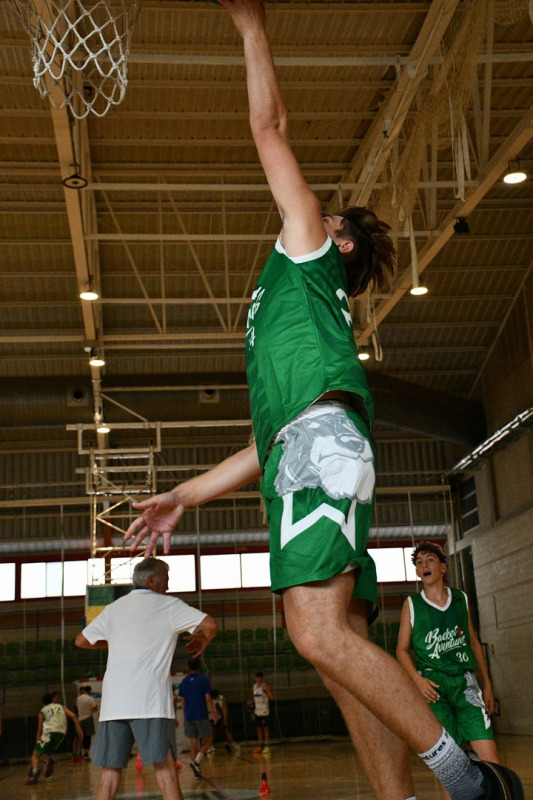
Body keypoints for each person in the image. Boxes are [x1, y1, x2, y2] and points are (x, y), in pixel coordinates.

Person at [123, 3, 524, 799]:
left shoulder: (305, 250)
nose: (306, 206)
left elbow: (268, 127)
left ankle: (472, 779)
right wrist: (186, 494)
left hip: (320, 447)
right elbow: (266, 439)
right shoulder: (295, 312)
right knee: (339, 653)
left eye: (323, 212)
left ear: (334, 241)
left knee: (313, 634)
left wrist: (250, 28)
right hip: (306, 448)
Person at [75, 558, 217, 800]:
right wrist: (204, 639)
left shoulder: (114, 608)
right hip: (150, 704)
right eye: (166, 580)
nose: (168, 586)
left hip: (113, 706)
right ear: (152, 580)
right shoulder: (169, 605)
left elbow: (81, 640)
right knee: (166, 773)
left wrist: (113, 643)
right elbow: (210, 625)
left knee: (109, 777)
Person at [397, 542, 501, 798]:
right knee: (451, 770)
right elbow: (401, 650)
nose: (424, 565)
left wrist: (487, 684)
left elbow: (473, 642)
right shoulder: (412, 604)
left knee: (492, 763)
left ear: (443, 568)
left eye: (430, 560)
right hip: (433, 689)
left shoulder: (460, 598)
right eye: (419, 562)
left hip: (465, 684)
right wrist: (417, 680)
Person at [26, 691, 83, 785]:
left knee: (35, 755)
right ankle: (49, 761)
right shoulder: (61, 706)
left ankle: (35, 773)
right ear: (52, 699)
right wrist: (79, 729)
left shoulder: (43, 711)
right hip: (61, 733)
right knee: (47, 751)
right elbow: (73, 715)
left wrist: (37, 740)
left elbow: (40, 729)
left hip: (49, 732)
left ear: (43, 702)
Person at [178, 657, 215, 780]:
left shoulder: (184, 681)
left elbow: (182, 701)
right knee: (208, 740)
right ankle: (196, 762)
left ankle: (196, 773)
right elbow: (208, 698)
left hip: (189, 715)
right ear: (199, 666)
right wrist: (213, 713)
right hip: (201, 714)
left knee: (193, 743)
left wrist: (184, 716)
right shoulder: (203, 679)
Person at [210, 688, 240, 753]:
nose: (216, 698)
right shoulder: (210, 700)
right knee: (211, 732)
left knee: (226, 731)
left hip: (220, 716)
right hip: (211, 717)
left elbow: (224, 709)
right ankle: (210, 746)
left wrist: (225, 719)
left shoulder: (221, 698)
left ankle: (233, 744)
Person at [252, 672, 274, 755]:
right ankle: (260, 746)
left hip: (264, 711)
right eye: (257, 677)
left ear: (262, 678)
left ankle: (267, 746)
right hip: (257, 710)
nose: (258, 679)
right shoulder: (254, 686)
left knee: (265, 728)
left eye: (259, 677)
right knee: (258, 728)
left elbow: (272, 697)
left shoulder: (265, 686)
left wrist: (266, 692)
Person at [76, 685, 98, 760]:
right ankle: (86, 753)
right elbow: (95, 708)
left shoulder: (78, 698)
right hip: (88, 717)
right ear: (89, 691)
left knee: (81, 736)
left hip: (80, 719)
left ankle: (79, 752)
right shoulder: (90, 698)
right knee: (88, 737)